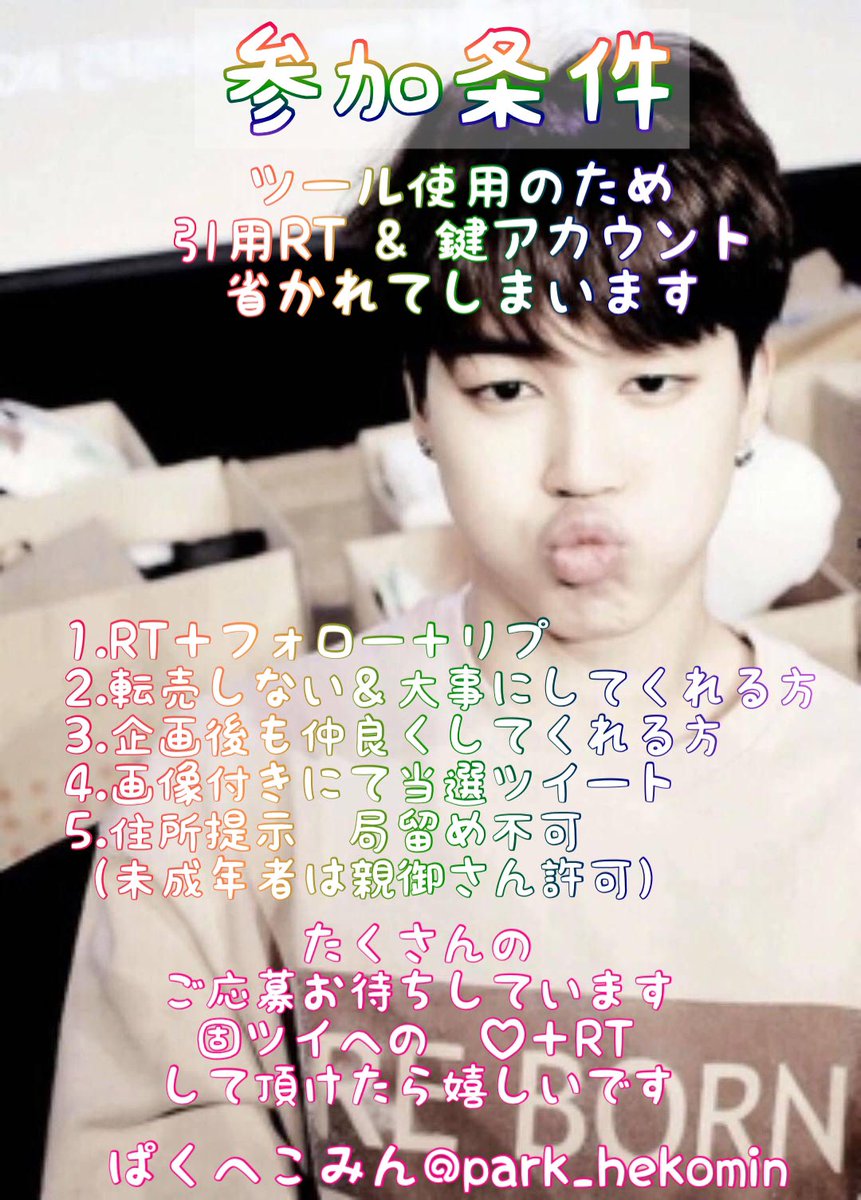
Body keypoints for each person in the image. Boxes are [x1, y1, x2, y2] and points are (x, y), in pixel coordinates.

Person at [43, 34, 859, 1199]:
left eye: (652, 382)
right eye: (506, 389)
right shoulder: (228, 786)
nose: (583, 468)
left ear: (751, 390)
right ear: (420, 403)